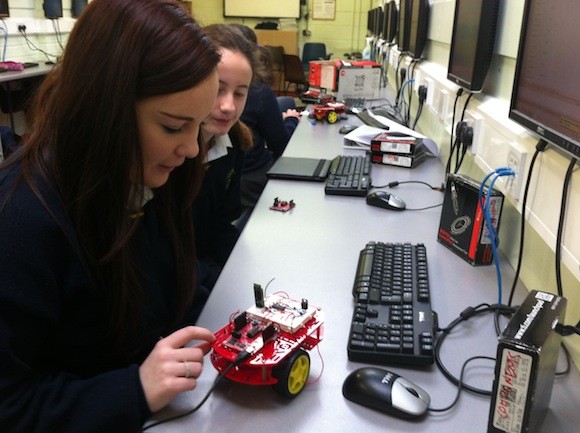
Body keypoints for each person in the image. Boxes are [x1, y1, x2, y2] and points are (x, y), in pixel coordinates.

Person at [0, 1, 221, 431]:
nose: (192, 148)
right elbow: (10, 405)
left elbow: (161, 285)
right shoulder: (22, 223)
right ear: (106, 109)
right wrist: (135, 389)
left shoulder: (143, 176)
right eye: (174, 127)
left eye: (199, 126)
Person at [193, 24, 256, 290]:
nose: (229, 106)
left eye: (239, 93)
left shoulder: (235, 146)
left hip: (204, 273)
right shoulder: (171, 154)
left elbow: (220, 227)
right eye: (218, 89)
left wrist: (242, 272)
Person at [232, 25, 302, 212]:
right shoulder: (260, 92)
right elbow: (280, 146)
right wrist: (291, 121)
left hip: (238, 179)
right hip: (251, 178)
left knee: (286, 101)